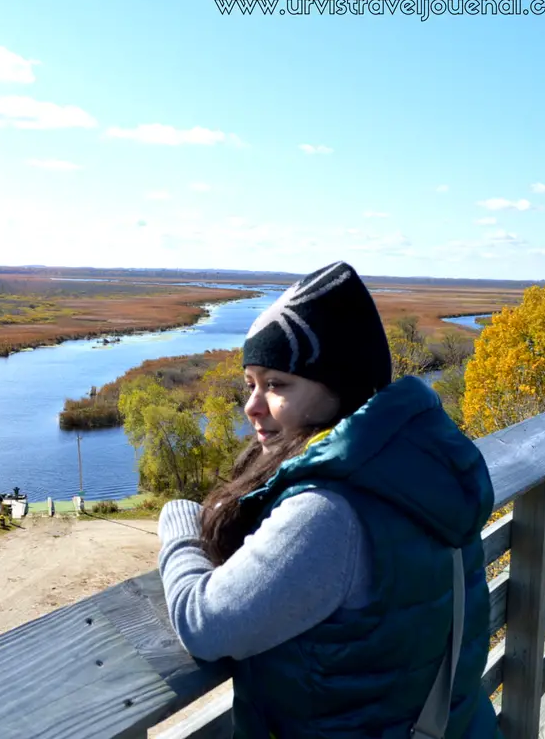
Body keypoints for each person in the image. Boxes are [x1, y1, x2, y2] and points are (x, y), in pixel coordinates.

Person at [157, 261, 499, 738]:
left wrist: (180, 524)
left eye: (277, 384)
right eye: (249, 384)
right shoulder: (414, 463)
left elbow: (205, 623)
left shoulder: (328, 508)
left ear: (339, 387)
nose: (252, 406)